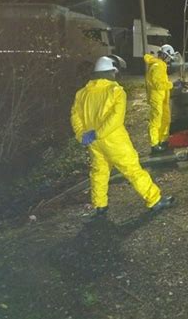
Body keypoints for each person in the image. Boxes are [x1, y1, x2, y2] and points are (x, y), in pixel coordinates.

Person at [71, 56, 175, 217]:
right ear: (111, 71)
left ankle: (100, 205)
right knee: (133, 169)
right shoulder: (116, 91)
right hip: (113, 140)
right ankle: (154, 200)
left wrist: (82, 135)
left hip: (93, 142)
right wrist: (99, 133)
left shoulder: (82, 93)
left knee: (99, 171)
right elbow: (116, 118)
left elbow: (75, 116)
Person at [143, 44, 176, 154]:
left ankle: (163, 140)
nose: (169, 61)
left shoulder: (160, 65)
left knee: (165, 119)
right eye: (169, 58)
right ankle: (155, 144)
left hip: (162, 97)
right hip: (157, 97)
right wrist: (172, 85)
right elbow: (158, 84)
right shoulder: (158, 66)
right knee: (156, 121)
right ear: (165, 55)